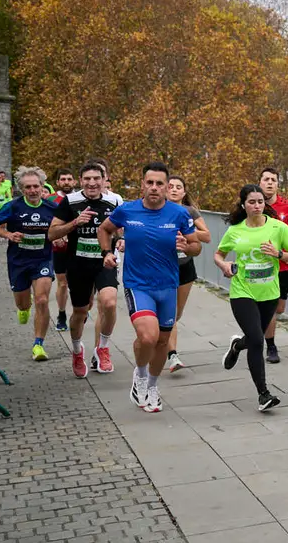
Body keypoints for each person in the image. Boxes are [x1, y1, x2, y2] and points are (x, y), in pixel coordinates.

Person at [99, 162, 200, 413]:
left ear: (167, 187)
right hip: (138, 285)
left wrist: (187, 246)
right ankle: (141, 375)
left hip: (167, 285)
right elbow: (105, 229)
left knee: (162, 342)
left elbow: (196, 245)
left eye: (159, 184)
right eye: (150, 183)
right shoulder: (127, 210)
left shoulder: (179, 213)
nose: (154, 188)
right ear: (142, 184)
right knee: (148, 336)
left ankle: (152, 386)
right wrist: (106, 253)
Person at [216, 184, 288, 412]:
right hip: (242, 291)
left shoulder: (278, 228)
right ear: (243, 205)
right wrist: (224, 265)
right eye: (252, 202)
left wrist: (279, 254)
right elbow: (218, 254)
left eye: (260, 202)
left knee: (253, 339)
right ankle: (264, 394)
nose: (257, 206)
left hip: (269, 293)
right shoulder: (235, 230)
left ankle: (236, 345)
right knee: (257, 340)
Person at [48, 163, 121, 378]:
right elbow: (52, 233)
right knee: (80, 311)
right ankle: (77, 351)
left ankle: (103, 348)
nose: (92, 183)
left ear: (104, 179)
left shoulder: (115, 201)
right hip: (78, 264)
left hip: (104, 261)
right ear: (80, 181)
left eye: (96, 178)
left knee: (109, 302)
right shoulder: (70, 202)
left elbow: (123, 228)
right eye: (87, 179)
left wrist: (122, 239)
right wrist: (74, 223)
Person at [0, 166, 57, 361]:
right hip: (18, 261)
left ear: (42, 187)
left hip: (42, 259)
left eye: (36, 186)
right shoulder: (13, 206)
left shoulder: (52, 208)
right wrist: (9, 234)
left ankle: (38, 345)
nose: (33, 190)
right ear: (22, 189)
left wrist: (62, 237)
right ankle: (24, 309)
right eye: (28, 187)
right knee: (23, 302)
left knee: (42, 300)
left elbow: (62, 227)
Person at [164, 175, 211, 372]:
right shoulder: (158, 210)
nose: (174, 190)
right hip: (164, 266)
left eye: (178, 187)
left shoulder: (190, 211)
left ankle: (165, 339)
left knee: (177, 313)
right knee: (169, 315)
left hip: (185, 266)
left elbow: (206, 236)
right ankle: (172, 355)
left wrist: (186, 230)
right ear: (165, 190)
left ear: (184, 192)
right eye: (171, 186)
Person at [258, 168, 288, 364]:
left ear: (278, 184)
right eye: (266, 179)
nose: (269, 183)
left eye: (273, 180)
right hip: (261, 264)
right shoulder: (253, 205)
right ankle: (271, 346)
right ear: (260, 182)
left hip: (284, 264)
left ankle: (254, 336)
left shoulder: (287, 206)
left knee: (279, 308)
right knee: (267, 307)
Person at [49, 169, 78, 332]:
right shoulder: (51, 199)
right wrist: (57, 235)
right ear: (58, 182)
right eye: (63, 179)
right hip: (59, 247)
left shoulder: (81, 197)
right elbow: (48, 221)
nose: (66, 182)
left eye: (69, 179)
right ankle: (61, 314)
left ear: (74, 181)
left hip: (78, 246)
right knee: (62, 282)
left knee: (80, 282)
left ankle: (80, 310)